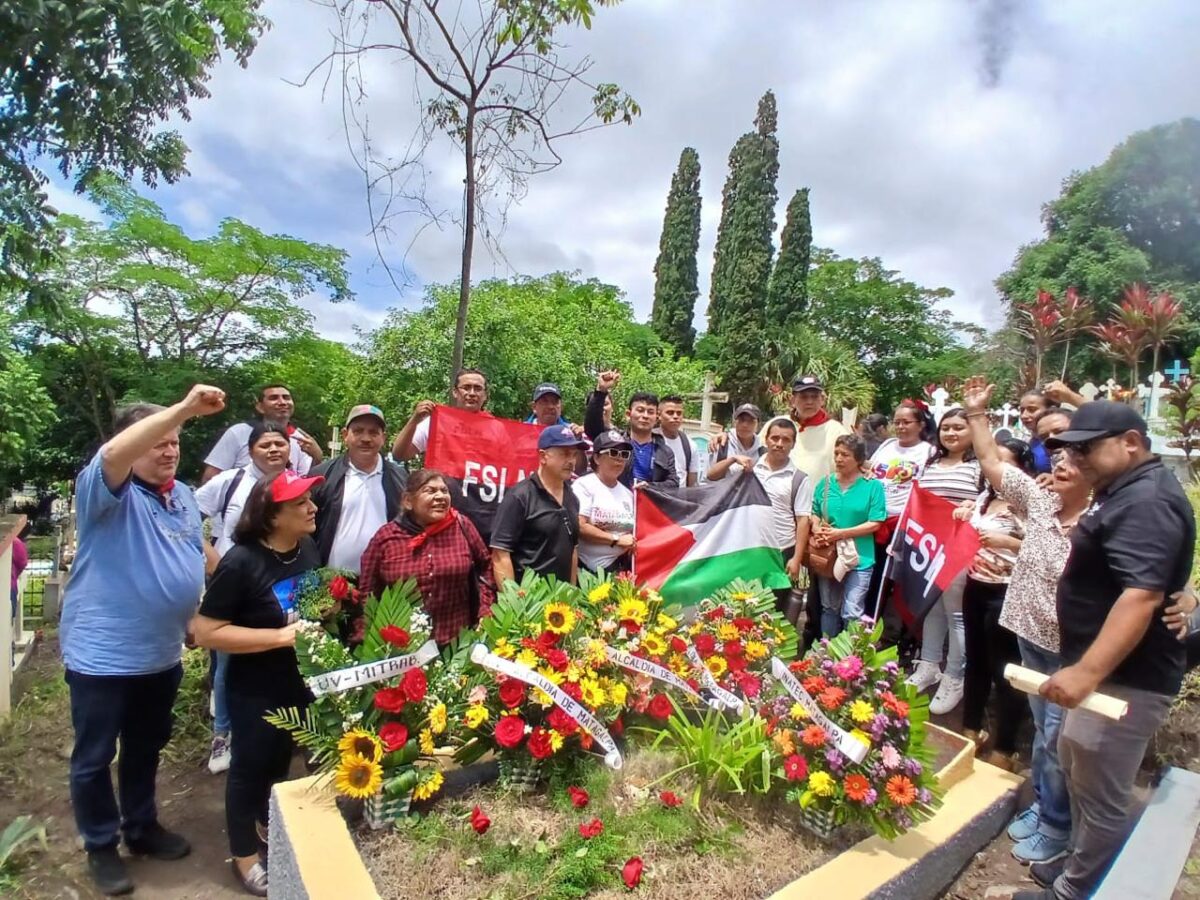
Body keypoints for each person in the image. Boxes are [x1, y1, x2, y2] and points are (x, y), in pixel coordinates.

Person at [1014, 401, 1195, 900]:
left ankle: (1077, 891)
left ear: (1131, 443)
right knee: (1080, 773)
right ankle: (1078, 866)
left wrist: (1087, 672)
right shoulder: (1124, 491)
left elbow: (1142, 595)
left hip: (1124, 679)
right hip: (1104, 672)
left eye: (1088, 448)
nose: (1076, 459)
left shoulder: (1146, 502)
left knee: (1102, 793)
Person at [60, 384, 225, 896]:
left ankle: (141, 826)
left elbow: (191, 556)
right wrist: (184, 408)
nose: (170, 448)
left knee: (146, 746)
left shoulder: (179, 498)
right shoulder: (105, 491)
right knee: (93, 757)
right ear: (134, 442)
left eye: (176, 440)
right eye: (159, 440)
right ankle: (100, 844)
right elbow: (113, 454)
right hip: (103, 657)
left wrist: (202, 611)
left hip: (160, 653)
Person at [962, 378, 1086, 869]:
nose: (1057, 460)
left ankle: (1058, 827)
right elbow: (993, 464)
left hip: (1071, 649)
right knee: (1044, 730)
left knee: (1059, 738)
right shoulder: (1040, 502)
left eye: (1071, 453)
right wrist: (976, 414)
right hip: (1029, 634)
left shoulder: (1105, 517)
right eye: (1052, 452)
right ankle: (1045, 809)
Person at [192, 470, 323, 897]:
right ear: (271, 516)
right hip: (254, 687)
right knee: (248, 770)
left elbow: (308, 604)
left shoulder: (306, 548)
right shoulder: (241, 562)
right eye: (300, 504)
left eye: (310, 501)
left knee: (280, 761)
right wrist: (279, 637)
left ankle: (270, 826)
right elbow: (207, 632)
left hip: (297, 682)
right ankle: (244, 857)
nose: (312, 508)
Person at [194, 422, 291, 776]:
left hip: (281, 588)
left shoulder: (293, 485)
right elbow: (187, 518)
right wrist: (212, 557)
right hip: (235, 585)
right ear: (251, 450)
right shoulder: (230, 481)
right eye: (265, 444)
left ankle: (280, 730)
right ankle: (223, 734)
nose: (274, 450)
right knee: (227, 662)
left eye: (280, 444)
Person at [955, 437, 1034, 774]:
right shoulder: (984, 499)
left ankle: (1006, 747)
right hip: (976, 587)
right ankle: (971, 730)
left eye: (1004, 463)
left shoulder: (1030, 506)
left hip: (1008, 594)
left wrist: (1008, 542)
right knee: (976, 664)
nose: (995, 470)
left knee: (1006, 672)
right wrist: (963, 512)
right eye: (991, 463)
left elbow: (1048, 550)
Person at [358, 469, 496, 646]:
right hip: (402, 649)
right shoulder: (385, 538)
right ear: (408, 501)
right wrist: (367, 639)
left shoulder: (462, 526)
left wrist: (485, 611)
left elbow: (486, 567)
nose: (440, 497)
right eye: (430, 491)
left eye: (444, 491)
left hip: (456, 643)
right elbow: (367, 593)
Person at [907, 407, 981, 716]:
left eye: (959, 428)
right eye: (946, 428)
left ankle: (955, 675)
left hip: (960, 548)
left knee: (956, 614)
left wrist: (972, 506)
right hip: (930, 547)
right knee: (932, 609)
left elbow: (991, 501)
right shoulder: (931, 464)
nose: (951, 433)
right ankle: (929, 665)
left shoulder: (979, 467)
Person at [708, 418, 813, 613]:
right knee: (742, 606)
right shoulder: (750, 468)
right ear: (766, 439)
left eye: (785, 440)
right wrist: (732, 459)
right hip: (748, 549)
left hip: (780, 552)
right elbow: (712, 476)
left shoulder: (799, 479)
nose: (779, 444)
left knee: (771, 610)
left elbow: (803, 520)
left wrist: (797, 558)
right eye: (775, 438)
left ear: (793, 444)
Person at [310, 405, 408, 573]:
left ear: (383, 438)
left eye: (373, 432)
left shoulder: (400, 478)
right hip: (332, 584)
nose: (366, 438)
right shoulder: (321, 476)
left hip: (386, 586)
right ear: (345, 435)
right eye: (358, 431)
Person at [491, 425, 586, 585]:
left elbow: (573, 550)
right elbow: (500, 554)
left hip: (560, 604)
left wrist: (571, 595)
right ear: (543, 456)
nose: (571, 461)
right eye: (565, 453)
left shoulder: (572, 498)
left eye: (574, 454)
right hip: (529, 602)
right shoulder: (519, 496)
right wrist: (514, 603)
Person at [810, 435, 886, 637]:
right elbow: (814, 513)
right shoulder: (825, 484)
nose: (839, 459)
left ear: (859, 459)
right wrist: (817, 529)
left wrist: (841, 533)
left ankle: (849, 659)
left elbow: (876, 522)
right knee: (829, 608)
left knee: (852, 611)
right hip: (829, 557)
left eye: (845, 455)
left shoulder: (873, 487)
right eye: (836, 453)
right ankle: (826, 656)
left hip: (860, 558)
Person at [202, 384, 321, 482]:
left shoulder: (302, 440)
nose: (282, 402)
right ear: (260, 407)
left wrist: (317, 457)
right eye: (274, 398)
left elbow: (305, 481)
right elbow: (211, 476)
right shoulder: (238, 432)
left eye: (286, 397)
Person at [584, 371, 678, 488]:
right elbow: (592, 428)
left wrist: (650, 487)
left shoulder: (665, 451)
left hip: (647, 504)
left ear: (657, 418)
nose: (645, 415)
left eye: (650, 412)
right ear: (628, 414)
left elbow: (674, 483)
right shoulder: (615, 441)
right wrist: (601, 391)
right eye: (640, 410)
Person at [758, 375, 850, 483]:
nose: (809, 402)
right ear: (792, 400)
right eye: (804, 397)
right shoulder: (777, 425)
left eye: (814, 396)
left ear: (822, 400)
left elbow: (851, 467)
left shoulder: (837, 431)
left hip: (818, 498)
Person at [572, 430, 637, 573]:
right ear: (596, 458)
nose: (619, 459)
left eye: (624, 455)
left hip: (619, 570)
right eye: (613, 453)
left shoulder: (628, 493)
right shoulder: (584, 485)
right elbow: (580, 526)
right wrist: (616, 539)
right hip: (585, 571)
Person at [391, 368, 489, 462]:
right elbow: (398, 455)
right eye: (466, 388)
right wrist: (415, 419)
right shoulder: (436, 423)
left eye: (478, 388)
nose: (472, 393)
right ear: (455, 392)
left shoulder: (496, 430)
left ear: (485, 395)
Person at [657, 395, 700, 487]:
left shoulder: (690, 445)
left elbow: (692, 483)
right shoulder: (650, 440)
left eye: (679, 413)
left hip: (679, 499)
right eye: (670, 412)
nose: (675, 416)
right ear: (659, 415)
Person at [707, 404, 763, 473]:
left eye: (751, 421)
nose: (745, 425)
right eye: (741, 420)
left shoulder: (762, 452)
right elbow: (708, 477)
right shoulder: (722, 445)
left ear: (758, 425)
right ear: (734, 423)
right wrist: (732, 460)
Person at [1017, 389, 1055, 473]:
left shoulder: (1057, 442)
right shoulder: (1028, 441)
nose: (1024, 415)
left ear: (1049, 410)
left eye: (1032, 409)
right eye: (1022, 410)